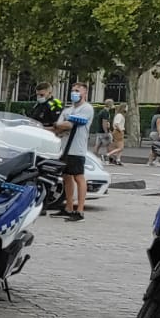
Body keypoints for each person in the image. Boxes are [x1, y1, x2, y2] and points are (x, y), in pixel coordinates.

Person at [53, 82, 93, 222]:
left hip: (77, 149)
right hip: (64, 149)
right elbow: (59, 127)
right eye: (73, 90)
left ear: (85, 93)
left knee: (78, 177)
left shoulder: (87, 109)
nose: (74, 93)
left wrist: (61, 125)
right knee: (66, 177)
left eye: (77, 90)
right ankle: (68, 207)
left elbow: (68, 125)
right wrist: (60, 125)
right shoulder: (67, 110)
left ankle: (80, 210)